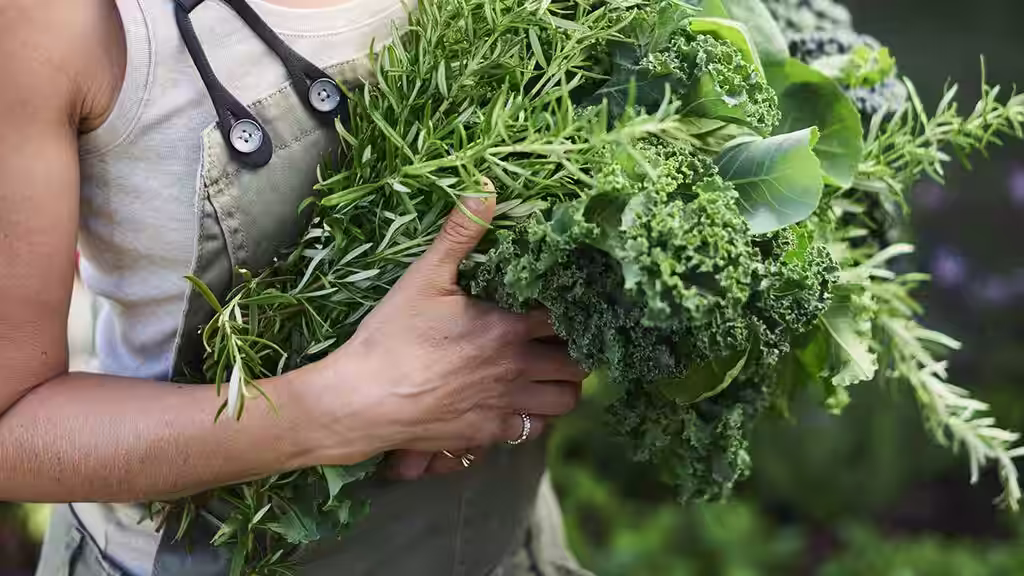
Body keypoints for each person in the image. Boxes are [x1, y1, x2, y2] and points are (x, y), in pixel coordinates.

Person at [0, 0, 591, 574]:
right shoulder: (56, 20)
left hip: (497, 538)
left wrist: (516, 360)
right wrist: (344, 408)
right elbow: (11, 428)